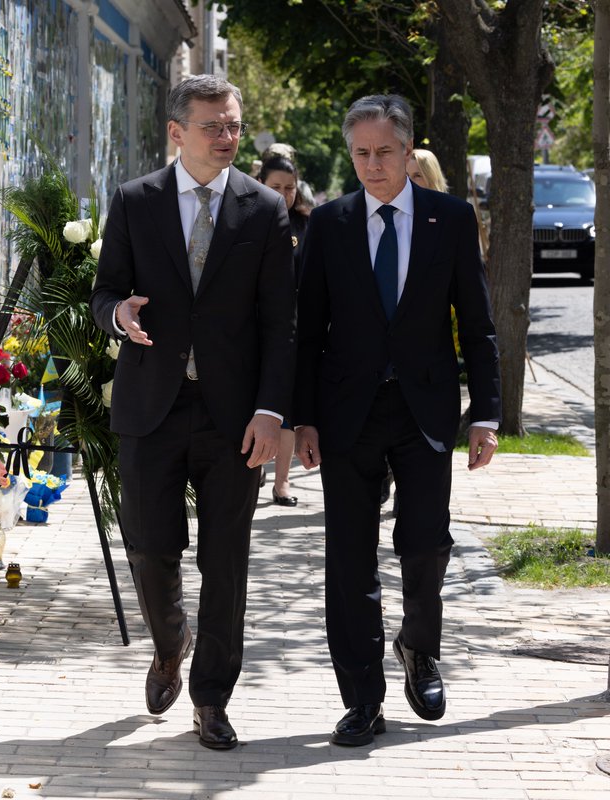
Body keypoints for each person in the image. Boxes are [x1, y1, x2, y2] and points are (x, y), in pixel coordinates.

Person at [90, 74, 296, 750]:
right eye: (213, 125)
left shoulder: (264, 210)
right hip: (152, 405)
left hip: (234, 416)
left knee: (226, 561)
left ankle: (211, 699)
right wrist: (119, 315)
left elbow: (279, 323)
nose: (228, 136)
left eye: (234, 124)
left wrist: (272, 411)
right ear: (178, 132)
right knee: (151, 551)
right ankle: (169, 638)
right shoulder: (134, 201)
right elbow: (104, 294)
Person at [293, 95, 500, 747]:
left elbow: (477, 321)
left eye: (385, 152)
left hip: (425, 409)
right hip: (346, 411)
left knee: (425, 543)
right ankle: (362, 698)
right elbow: (307, 331)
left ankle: (420, 645)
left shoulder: (450, 218)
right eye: (361, 153)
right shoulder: (329, 225)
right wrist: (301, 418)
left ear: (409, 153)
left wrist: (486, 412)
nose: (373, 164)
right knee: (349, 560)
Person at [256, 153, 311, 508]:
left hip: (295, 327)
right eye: (276, 187)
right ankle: (254, 468)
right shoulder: (248, 218)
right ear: (261, 184)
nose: (284, 194)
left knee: (287, 408)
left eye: (289, 188)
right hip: (253, 327)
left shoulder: (306, 224)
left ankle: (283, 481)